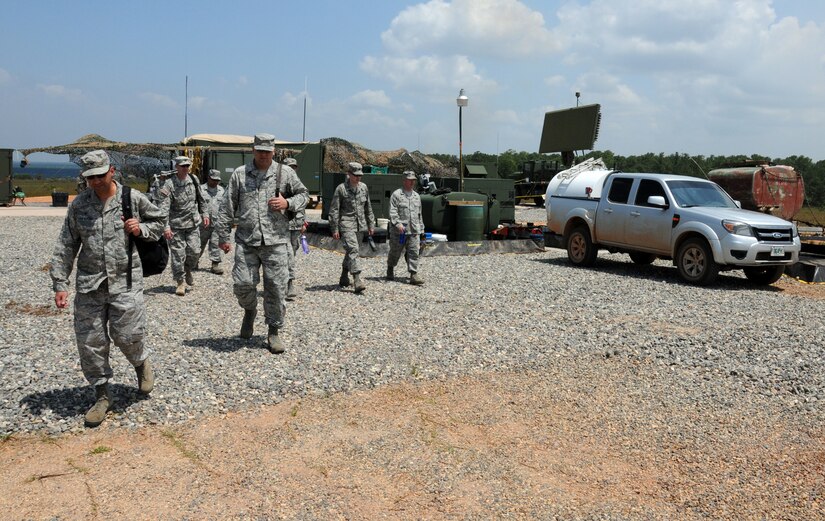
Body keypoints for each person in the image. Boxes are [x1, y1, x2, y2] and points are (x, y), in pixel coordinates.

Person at [50, 150, 165, 428]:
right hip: (90, 285)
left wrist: (141, 230)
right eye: (90, 178)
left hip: (125, 281)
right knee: (90, 343)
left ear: (111, 170)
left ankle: (140, 363)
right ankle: (102, 395)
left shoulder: (132, 199)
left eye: (101, 176)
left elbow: (159, 222)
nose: (96, 182)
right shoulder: (79, 206)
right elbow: (66, 245)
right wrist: (60, 283)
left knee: (128, 335)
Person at [217, 133, 308, 354]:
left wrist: (287, 202)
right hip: (247, 241)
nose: (264, 155)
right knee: (242, 284)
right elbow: (227, 206)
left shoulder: (284, 173)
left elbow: (304, 195)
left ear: (273, 151)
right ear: (253, 150)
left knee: (276, 288)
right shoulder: (240, 174)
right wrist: (222, 236)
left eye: (267, 151)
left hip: (276, 241)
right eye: (260, 150)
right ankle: (250, 310)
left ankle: (273, 330)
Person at [158, 156, 208, 296]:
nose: (185, 168)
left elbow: (201, 198)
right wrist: (166, 227)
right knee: (178, 255)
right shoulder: (169, 184)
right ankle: (180, 282)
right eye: (183, 166)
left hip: (192, 223)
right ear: (177, 167)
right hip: (176, 225)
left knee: (195, 251)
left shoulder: (193, 179)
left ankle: (188, 270)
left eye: (187, 165)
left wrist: (205, 214)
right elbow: (164, 208)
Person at [328, 161, 375, 293]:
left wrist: (371, 224)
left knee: (351, 251)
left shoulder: (363, 188)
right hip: (346, 224)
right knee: (353, 249)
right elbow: (334, 210)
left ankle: (344, 275)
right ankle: (357, 279)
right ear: (349, 174)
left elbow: (368, 208)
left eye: (360, 175)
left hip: (360, 226)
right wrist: (335, 229)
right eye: (355, 175)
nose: (358, 177)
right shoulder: (341, 189)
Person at [387, 171, 425, 285]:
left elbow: (419, 214)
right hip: (400, 231)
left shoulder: (416, 196)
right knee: (395, 252)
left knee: (414, 252)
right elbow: (392, 212)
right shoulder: (397, 195)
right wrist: (397, 224)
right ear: (404, 181)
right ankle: (390, 268)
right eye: (410, 180)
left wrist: (422, 230)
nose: (412, 182)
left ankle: (413, 274)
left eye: (414, 180)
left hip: (414, 230)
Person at [283, 157, 307, 300]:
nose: (292, 169)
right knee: (287, 255)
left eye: (294, 167)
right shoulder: (279, 184)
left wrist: (304, 222)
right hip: (283, 225)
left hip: (297, 225)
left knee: (293, 252)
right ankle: (289, 284)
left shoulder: (298, 184)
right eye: (289, 167)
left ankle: (285, 282)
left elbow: (302, 203)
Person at [199, 169, 226, 275]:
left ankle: (215, 264)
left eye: (217, 180)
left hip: (216, 223)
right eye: (213, 179)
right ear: (209, 178)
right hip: (203, 224)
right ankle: (192, 262)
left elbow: (224, 206)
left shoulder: (221, 191)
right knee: (198, 244)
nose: (215, 182)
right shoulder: (201, 189)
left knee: (215, 244)